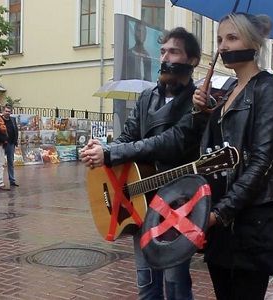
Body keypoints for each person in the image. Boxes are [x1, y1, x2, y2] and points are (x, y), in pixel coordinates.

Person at [81, 27, 202, 300]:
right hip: (139, 199)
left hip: (176, 203)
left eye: (174, 51)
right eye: (162, 51)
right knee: (146, 283)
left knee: (175, 283)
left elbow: (171, 142)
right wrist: (104, 147)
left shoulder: (197, 103)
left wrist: (112, 153)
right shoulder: (148, 97)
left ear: (192, 60)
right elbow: (128, 136)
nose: (165, 57)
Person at [192, 13, 273, 299]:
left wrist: (220, 213)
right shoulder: (230, 91)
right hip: (220, 216)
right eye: (220, 39)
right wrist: (203, 111)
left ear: (254, 43)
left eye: (232, 38)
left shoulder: (269, 89)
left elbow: (262, 161)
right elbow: (210, 153)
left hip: (251, 221)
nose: (222, 46)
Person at [2, 104, 19, 187]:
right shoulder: (0, 119)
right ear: (3, 111)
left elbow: (16, 130)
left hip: (11, 144)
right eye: (6, 111)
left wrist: (15, 141)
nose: (8, 113)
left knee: (10, 162)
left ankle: (12, 180)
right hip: (1, 144)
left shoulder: (13, 119)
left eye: (9, 111)